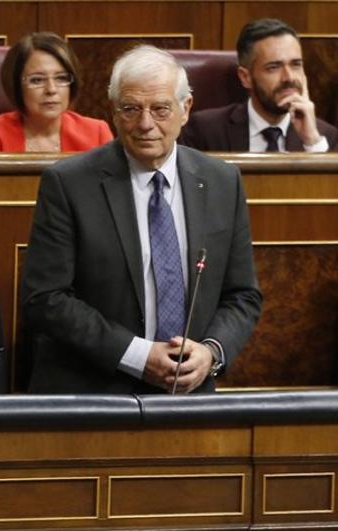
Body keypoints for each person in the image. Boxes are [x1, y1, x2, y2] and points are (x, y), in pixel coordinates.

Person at [21, 45, 262, 394]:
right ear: (114, 113)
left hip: (190, 393)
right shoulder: (69, 183)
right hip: (95, 392)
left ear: (185, 109)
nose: (145, 124)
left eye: (161, 109)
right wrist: (137, 355)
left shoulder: (222, 182)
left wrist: (211, 353)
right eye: (131, 109)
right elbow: (45, 298)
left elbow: (242, 295)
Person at [180, 18, 338, 153]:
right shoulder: (204, 131)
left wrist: (311, 142)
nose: (288, 77)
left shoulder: (326, 137)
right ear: (245, 77)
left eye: (296, 65)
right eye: (273, 67)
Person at [0, 33, 113, 153]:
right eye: (37, 80)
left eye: (61, 78)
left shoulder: (96, 133)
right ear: (16, 85)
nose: (51, 89)